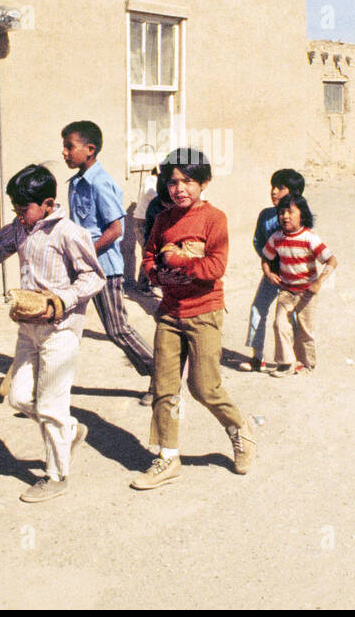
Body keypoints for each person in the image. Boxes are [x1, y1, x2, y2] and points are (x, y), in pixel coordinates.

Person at [0, 164, 105, 503]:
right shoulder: (20, 228)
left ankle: (56, 475)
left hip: (61, 331)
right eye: (15, 209)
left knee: (53, 405)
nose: (19, 215)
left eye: (23, 209)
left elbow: (94, 277)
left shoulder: (70, 233)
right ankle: (70, 431)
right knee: (20, 397)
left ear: (47, 203)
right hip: (29, 330)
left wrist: (61, 300)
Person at [131, 148, 256, 490]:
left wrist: (177, 261)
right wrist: (159, 274)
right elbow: (150, 259)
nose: (179, 189)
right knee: (164, 388)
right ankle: (168, 457)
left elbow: (215, 267)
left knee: (204, 386)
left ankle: (240, 431)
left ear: (204, 182)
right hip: (170, 314)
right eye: (172, 182)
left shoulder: (214, 219)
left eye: (187, 180)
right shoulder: (163, 219)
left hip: (205, 312)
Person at [61, 122, 154, 395]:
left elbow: (116, 230)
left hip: (104, 269)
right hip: (81, 267)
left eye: (70, 146)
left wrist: (85, 254)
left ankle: (161, 376)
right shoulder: (76, 183)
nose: (64, 152)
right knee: (61, 326)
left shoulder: (100, 183)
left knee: (117, 329)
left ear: (90, 150)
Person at [262, 194, 338, 377]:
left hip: (306, 292)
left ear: (302, 215)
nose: (285, 216)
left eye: (290, 212)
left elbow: (331, 261)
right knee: (280, 324)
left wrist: (318, 282)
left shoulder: (309, 238)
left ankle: (307, 363)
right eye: (281, 212)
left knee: (305, 330)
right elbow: (266, 258)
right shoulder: (277, 237)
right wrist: (268, 273)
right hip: (286, 290)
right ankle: (286, 363)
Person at [242, 168, 305, 372]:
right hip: (271, 274)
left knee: (290, 316)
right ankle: (256, 356)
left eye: (280, 188)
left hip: (294, 276)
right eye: (273, 187)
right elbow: (258, 241)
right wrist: (268, 269)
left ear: (294, 192)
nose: (274, 192)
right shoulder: (266, 215)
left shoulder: (300, 216)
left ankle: (294, 358)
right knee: (258, 308)